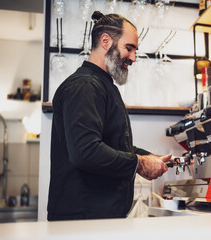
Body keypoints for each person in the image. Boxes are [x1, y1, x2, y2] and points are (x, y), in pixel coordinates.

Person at [47, 11, 172, 221]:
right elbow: (86, 151)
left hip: (99, 218)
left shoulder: (103, 86)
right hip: (83, 221)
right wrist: (139, 163)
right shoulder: (84, 86)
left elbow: (111, 145)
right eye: (129, 48)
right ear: (106, 41)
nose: (133, 58)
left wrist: (149, 157)